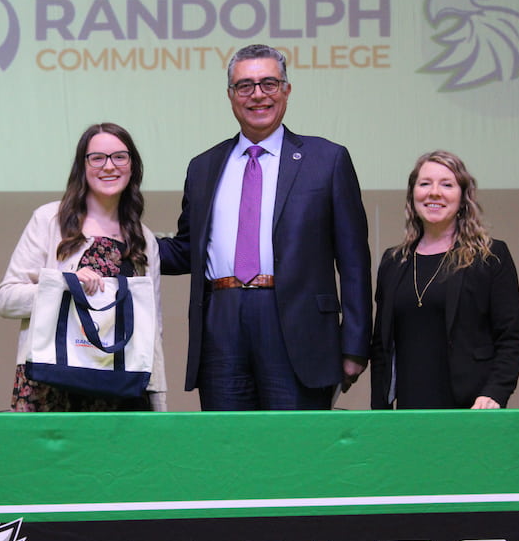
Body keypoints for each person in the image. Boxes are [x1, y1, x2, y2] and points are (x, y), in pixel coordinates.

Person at [158, 44, 372, 410]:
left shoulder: (327, 159)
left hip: (297, 327)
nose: (257, 95)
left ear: (287, 90)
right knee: (229, 449)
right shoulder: (203, 166)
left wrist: (354, 345)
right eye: (245, 86)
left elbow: (354, 262)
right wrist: (121, 241)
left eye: (269, 83)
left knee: (295, 452)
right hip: (221, 324)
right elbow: (186, 249)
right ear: (230, 96)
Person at [0, 122, 166, 411]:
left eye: (119, 157)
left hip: (119, 390)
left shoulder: (144, 240)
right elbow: (6, 300)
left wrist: (156, 401)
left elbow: (152, 330)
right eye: (97, 158)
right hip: (51, 384)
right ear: (82, 166)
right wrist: (64, 285)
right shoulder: (49, 220)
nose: (108, 166)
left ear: (132, 166)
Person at [370, 150, 519, 409]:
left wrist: (495, 392)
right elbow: (381, 347)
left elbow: (510, 338)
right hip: (408, 410)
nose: (434, 193)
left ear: (463, 197)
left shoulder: (490, 256)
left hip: (472, 409)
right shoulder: (393, 262)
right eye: (425, 184)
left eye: (447, 184)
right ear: (412, 195)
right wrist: (380, 411)